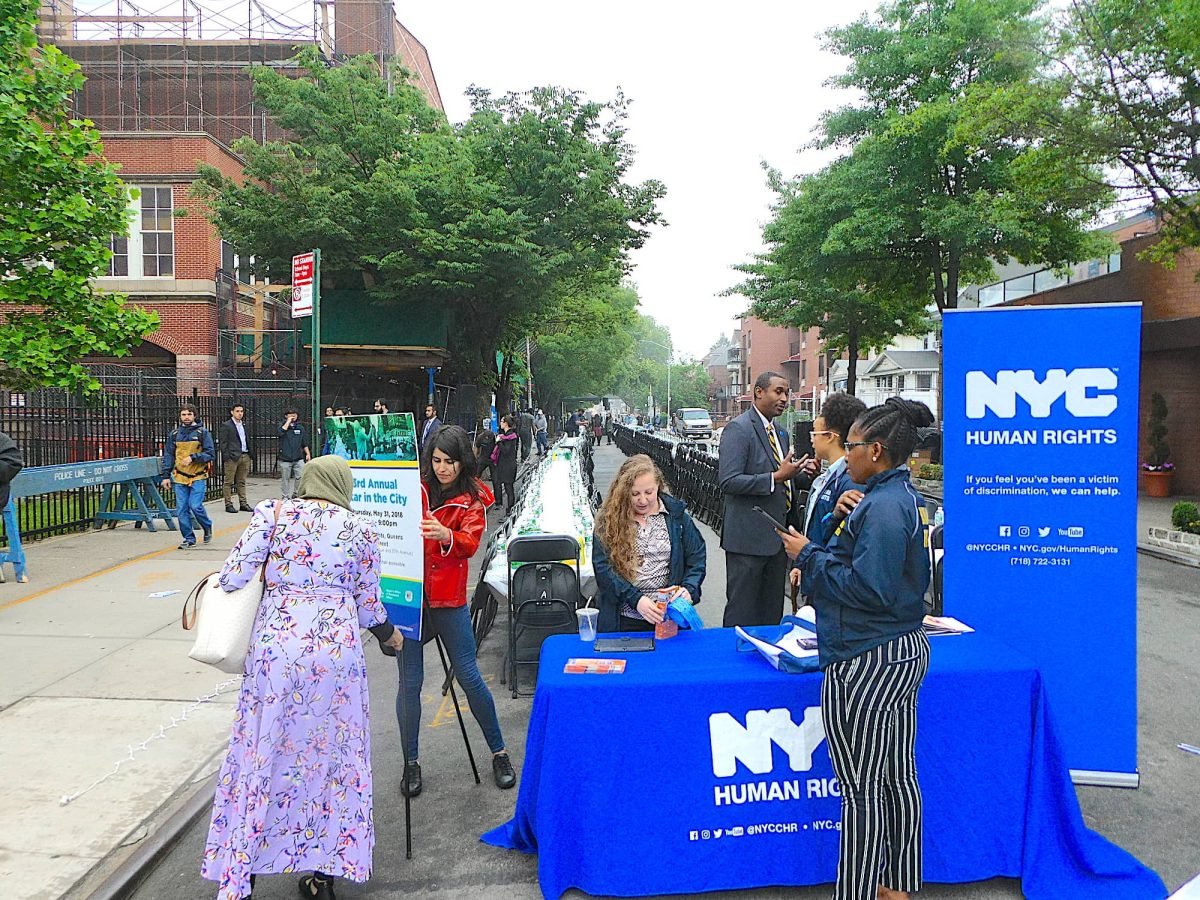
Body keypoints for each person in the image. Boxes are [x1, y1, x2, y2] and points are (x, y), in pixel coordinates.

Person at [202, 456, 403, 900]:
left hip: (276, 657)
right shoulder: (361, 530)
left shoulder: (272, 514)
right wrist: (391, 638)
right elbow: (370, 606)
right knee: (331, 762)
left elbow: (234, 577)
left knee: (263, 753)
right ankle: (321, 874)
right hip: (335, 660)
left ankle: (245, 870)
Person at [776, 398, 935, 900]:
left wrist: (810, 557)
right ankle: (897, 885)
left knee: (863, 789)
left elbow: (871, 590)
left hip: (868, 657)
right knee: (895, 779)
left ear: (878, 450)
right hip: (893, 651)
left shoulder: (886, 508)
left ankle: (860, 890)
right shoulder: (890, 497)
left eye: (854, 447)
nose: (846, 457)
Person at [397, 425, 516, 797]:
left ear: (462, 462)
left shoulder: (472, 499)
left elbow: (469, 543)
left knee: (468, 676)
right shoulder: (412, 490)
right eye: (437, 461)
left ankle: (499, 752)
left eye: (450, 461)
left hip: (448, 598)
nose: (443, 468)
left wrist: (446, 536)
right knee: (410, 682)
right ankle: (410, 762)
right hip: (411, 598)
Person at [717, 371, 817, 626]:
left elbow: (786, 479)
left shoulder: (781, 433)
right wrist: (774, 477)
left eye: (787, 393)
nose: (784, 398)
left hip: (778, 540)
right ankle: (737, 663)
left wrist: (803, 476)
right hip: (747, 541)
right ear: (758, 392)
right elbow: (728, 481)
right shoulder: (738, 429)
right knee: (743, 612)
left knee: (771, 613)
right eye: (778, 392)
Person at [592, 454, 706, 633]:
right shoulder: (608, 522)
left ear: (658, 487)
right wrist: (636, 600)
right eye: (635, 494)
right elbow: (603, 570)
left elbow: (696, 558)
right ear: (623, 491)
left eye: (649, 492)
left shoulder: (677, 517)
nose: (643, 500)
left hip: (669, 617)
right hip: (625, 618)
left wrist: (689, 589)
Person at [789, 392, 868, 602]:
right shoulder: (827, 476)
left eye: (814, 433)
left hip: (831, 583)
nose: (812, 439)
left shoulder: (850, 480)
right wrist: (802, 564)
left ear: (831, 436)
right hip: (816, 571)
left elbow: (842, 540)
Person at [160, 404, 215, 550]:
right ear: (180, 416)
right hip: (179, 477)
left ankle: (207, 525)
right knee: (181, 509)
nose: (186, 417)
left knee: (195, 506)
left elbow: (210, 454)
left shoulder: (203, 433)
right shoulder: (174, 434)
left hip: (198, 475)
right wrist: (166, 476)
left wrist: (194, 457)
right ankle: (188, 538)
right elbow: (169, 455)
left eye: (189, 414)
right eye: (183, 414)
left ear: (194, 416)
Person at [218, 403, 253, 513]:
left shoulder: (244, 425)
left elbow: (247, 439)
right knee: (228, 481)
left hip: (245, 455)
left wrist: (250, 454)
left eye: (241, 411)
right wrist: (227, 456)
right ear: (232, 412)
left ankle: (243, 503)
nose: (240, 413)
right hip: (232, 457)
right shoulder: (227, 425)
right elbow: (223, 442)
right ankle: (228, 504)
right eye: (237, 411)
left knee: (241, 481)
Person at [278, 407, 311, 500]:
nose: (293, 416)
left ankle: (297, 493)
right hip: (285, 457)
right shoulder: (282, 425)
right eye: (290, 414)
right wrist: (288, 422)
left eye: (295, 414)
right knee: (285, 479)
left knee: (300, 476)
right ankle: (285, 496)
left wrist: (307, 454)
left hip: (298, 457)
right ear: (286, 416)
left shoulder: (300, 428)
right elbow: (280, 432)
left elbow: (304, 442)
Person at [490, 415, 520, 515]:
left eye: (502, 421)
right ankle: (501, 504)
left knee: (508, 488)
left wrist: (498, 442)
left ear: (506, 423)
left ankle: (510, 509)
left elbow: (506, 451)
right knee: (500, 484)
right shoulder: (505, 435)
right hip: (503, 466)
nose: (500, 423)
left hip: (508, 466)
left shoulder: (511, 436)